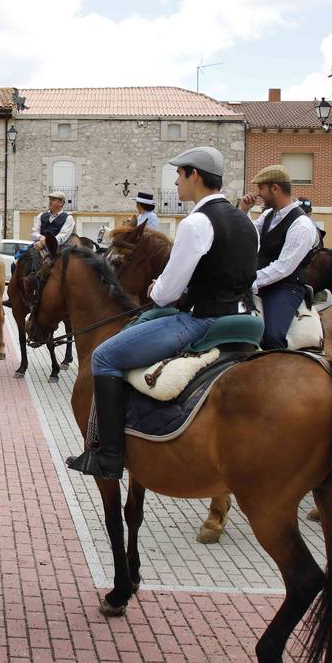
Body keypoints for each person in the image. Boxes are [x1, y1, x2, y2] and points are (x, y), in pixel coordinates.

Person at [66, 147, 257, 479]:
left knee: (104, 356)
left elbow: (167, 294)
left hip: (203, 321)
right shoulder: (246, 222)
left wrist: (155, 288)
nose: (176, 180)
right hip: (244, 322)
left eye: (180, 174)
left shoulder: (197, 222)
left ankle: (108, 456)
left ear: (194, 175)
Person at [239, 165, 317, 350]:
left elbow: (283, 268)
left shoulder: (302, 225)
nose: (258, 194)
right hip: (262, 282)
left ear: (275, 188)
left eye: (261, 188)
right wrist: (243, 211)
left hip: (286, 286)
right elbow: (249, 235)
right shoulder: (268, 215)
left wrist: (250, 280)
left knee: (273, 335)